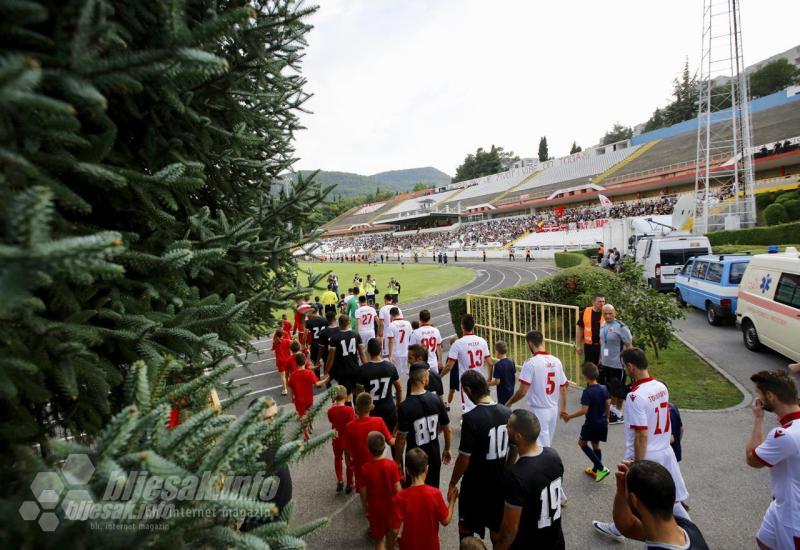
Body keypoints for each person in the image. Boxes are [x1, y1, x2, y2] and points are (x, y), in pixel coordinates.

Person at [592, 348, 690, 543]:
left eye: (624, 366)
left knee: (631, 497)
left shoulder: (635, 396)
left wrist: (638, 464)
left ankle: (621, 528)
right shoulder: (661, 387)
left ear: (630, 366)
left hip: (647, 454)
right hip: (664, 451)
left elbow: (641, 434)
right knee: (674, 497)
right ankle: (691, 531)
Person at [448, 370, 512, 542]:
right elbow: (514, 448)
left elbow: (464, 459)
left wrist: (453, 482)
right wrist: (506, 467)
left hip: (475, 485)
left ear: (468, 390)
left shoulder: (470, 418)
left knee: (466, 530)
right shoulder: (507, 412)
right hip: (498, 483)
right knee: (496, 530)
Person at [495, 410, 565, 550]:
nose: (505, 428)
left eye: (508, 426)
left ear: (518, 436)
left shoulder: (516, 475)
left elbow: (509, 530)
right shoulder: (553, 455)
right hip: (556, 540)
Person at [746, 370, 800, 550]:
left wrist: (758, 419)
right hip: (780, 503)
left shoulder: (784, 436)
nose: (757, 397)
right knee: (764, 540)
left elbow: (752, 459)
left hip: (792, 516)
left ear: (770, 396)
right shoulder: (791, 428)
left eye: (759, 393)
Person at [612, 460, 709, 549]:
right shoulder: (687, 528)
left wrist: (622, 492)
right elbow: (629, 527)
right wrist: (621, 491)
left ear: (635, 501)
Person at [506, 330, 568, 448]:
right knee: (547, 443)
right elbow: (563, 387)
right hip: (553, 409)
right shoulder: (556, 361)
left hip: (538, 410)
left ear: (529, 343)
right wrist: (563, 409)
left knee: (540, 446)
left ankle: (547, 466)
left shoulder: (531, 363)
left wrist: (509, 402)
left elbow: (522, 391)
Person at [387, 448, 458, 550]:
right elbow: (445, 520)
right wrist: (452, 502)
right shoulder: (435, 494)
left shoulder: (400, 497)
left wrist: (391, 544)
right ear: (427, 468)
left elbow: (394, 530)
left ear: (407, 470)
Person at [240, 398, 293, 532]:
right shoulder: (250, 453)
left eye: (275, 416)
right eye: (267, 419)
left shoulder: (273, 442)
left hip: (280, 518)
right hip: (263, 526)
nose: (274, 423)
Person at [396, 365, 452, 488]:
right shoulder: (436, 400)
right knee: (432, 490)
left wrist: (397, 460)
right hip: (433, 455)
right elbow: (447, 428)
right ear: (423, 379)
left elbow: (401, 439)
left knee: (413, 492)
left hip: (414, 458)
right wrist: (447, 448)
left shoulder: (405, 406)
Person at [561, 362, 611, 481]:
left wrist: (569, 416)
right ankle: (595, 470)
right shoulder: (603, 388)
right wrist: (607, 417)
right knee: (595, 444)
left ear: (585, 376)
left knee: (582, 444)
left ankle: (601, 468)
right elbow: (608, 403)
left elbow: (584, 410)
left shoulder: (587, 392)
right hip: (602, 422)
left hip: (591, 424)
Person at [346, 392, 396, 512]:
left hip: (359, 466)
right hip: (377, 464)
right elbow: (390, 442)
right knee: (378, 490)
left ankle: (366, 508)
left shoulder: (350, 426)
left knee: (364, 488)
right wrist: (398, 436)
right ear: (371, 407)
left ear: (356, 409)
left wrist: (348, 461)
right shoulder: (378, 421)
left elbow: (347, 449)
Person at [441, 314, 494, 413]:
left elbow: (449, 366)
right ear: (473, 326)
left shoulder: (458, 343)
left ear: (462, 326)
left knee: (469, 410)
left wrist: (439, 377)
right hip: (481, 379)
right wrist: (489, 378)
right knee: (483, 405)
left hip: (467, 382)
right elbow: (490, 362)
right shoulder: (482, 341)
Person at [361, 432, 402, 550]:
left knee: (379, 540)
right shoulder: (392, 465)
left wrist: (365, 507)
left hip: (375, 509)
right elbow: (398, 489)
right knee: (391, 538)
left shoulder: (365, 469)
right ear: (384, 447)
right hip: (391, 507)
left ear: (368, 449)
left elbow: (363, 492)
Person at [357, 338, 402, 433]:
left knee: (373, 441)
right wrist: (398, 405)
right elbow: (399, 388)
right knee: (392, 437)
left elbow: (360, 393)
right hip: (388, 407)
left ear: (368, 351)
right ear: (380, 349)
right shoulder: (390, 366)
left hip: (372, 410)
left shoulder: (363, 369)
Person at [599, 304, 632, 424]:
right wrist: (600, 359)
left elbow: (629, 345)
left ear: (615, 313)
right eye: (605, 313)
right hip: (606, 363)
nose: (607, 316)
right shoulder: (603, 325)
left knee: (618, 390)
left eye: (610, 313)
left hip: (618, 364)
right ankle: (612, 412)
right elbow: (603, 344)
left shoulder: (621, 327)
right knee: (610, 389)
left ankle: (618, 413)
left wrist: (629, 363)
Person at [287, 352, 329, 439]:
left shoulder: (293, 375)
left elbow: (290, 388)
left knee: (302, 417)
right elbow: (317, 383)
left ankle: (306, 434)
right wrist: (325, 380)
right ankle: (309, 423)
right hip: (308, 399)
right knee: (310, 413)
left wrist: (292, 397)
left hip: (299, 400)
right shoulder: (309, 373)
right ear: (305, 361)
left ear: (295, 362)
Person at [325, 315, 367, 402]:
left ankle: (349, 412)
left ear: (339, 323)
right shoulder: (356, 335)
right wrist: (367, 367)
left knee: (346, 394)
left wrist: (326, 371)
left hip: (342, 370)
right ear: (349, 323)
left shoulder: (334, 338)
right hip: (355, 368)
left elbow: (331, 357)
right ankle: (356, 411)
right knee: (356, 392)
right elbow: (362, 354)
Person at [328, 385, 355, 493]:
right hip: (348, 439)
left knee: (337, 458)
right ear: (345, 396)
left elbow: (331, 420)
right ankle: (349, 483)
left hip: (336, 438)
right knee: (349, 461)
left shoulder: (331, 411)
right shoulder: (350, 410)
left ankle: (339, 479)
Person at [409, 309, 443, 374]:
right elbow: (439, 347)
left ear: (420, 318)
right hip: (434, 363)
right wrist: (440, 361)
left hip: (421, 364)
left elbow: (412, 350)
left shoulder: (415, 333)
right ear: (430, 318)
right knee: (434, 382)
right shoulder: (436, 330)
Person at [576, 293, 605, 365]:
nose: (602, 304)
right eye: (599, 301)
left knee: (603, 367)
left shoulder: (607, 312)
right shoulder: (586, 311)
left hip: (604, 346)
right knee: (589, 367)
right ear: (593, 302)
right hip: (589, 346)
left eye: (603, 301)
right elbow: (580, 327)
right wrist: (579, 345)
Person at [489, 341, 516, 406]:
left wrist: (487, 384)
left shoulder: (498, 365)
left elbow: (497, 381)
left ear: (497, 352)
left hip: (502, 391)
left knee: (503, 408)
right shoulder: (511, 362)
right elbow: (514, 376)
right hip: (511, 389)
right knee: (509, 406)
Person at [388, 308, 413, 376]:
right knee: (408, 372)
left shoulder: (391, 325)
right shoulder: (407, 323)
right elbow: (411, 337)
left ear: (391, 315)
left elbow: (391, 341)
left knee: (396, 374)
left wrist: (390, 355)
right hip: (406, 352)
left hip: (396, 353)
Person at [305, 307, 328, 373]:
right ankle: (326, 378)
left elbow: (305, 334)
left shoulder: (309, 321)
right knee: (326, 361)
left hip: (315, 344)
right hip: (324, 344)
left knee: (315, 362)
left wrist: (303, 344)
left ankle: (317, 378)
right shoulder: (325, 320)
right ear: (318, 310)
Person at [272, 328, 293, 396]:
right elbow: (293, 347)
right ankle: (291, 384)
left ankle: (285, 390)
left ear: (276, 335)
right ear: (283, 335)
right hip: (288, 359)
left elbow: (273, 349)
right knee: (290, 373)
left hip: (280, 361)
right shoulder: (287, 341)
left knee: (282, 375)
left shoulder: (275, 342)